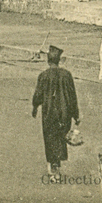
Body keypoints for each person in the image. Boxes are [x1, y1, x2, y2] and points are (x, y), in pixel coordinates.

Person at [32, 45, 80, 180]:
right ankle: (56, 166)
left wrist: (35, 107)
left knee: (50, 138)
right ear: (59, 60)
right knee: (60, 138)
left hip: (49, 113)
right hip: (64, 114)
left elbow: (38, 95)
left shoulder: (44, 75)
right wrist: (76, 115)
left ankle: (53, 167)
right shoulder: (67, 75)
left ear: (48, 60)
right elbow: (72, 96)